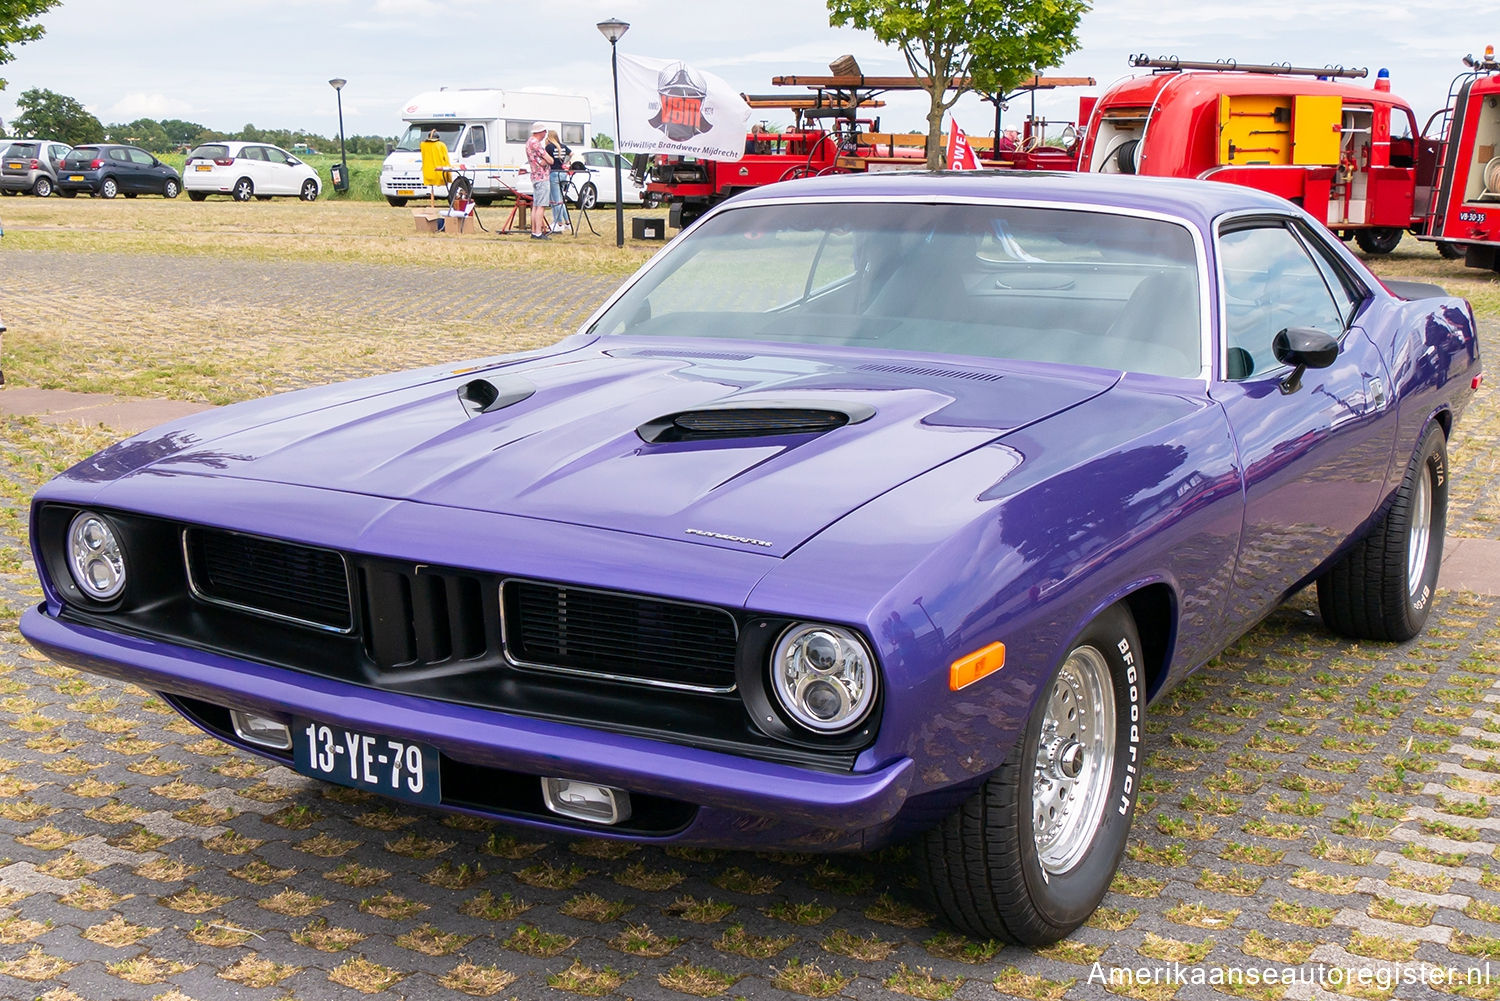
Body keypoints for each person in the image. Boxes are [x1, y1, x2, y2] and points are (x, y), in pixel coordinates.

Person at [524, 122, 554, 239]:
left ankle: (533, 231)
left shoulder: (529, 142)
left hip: (535, 176)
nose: (545, 134)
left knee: (536, 205)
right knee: (541, 206)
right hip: (542, 177)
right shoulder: (536, 144)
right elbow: (549, 160)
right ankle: (538, 232)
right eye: (544, 132)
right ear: (540, 132)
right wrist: (549, 159)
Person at [545, 129, 572, 233]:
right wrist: (565, 163)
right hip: (563, 173)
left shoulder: (549, 147)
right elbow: (572, 154)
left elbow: (546, 159)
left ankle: (559, 223)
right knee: (561, 200)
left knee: (556, 201)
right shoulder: (563, 146)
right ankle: (567, 222)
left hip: (554, 173)